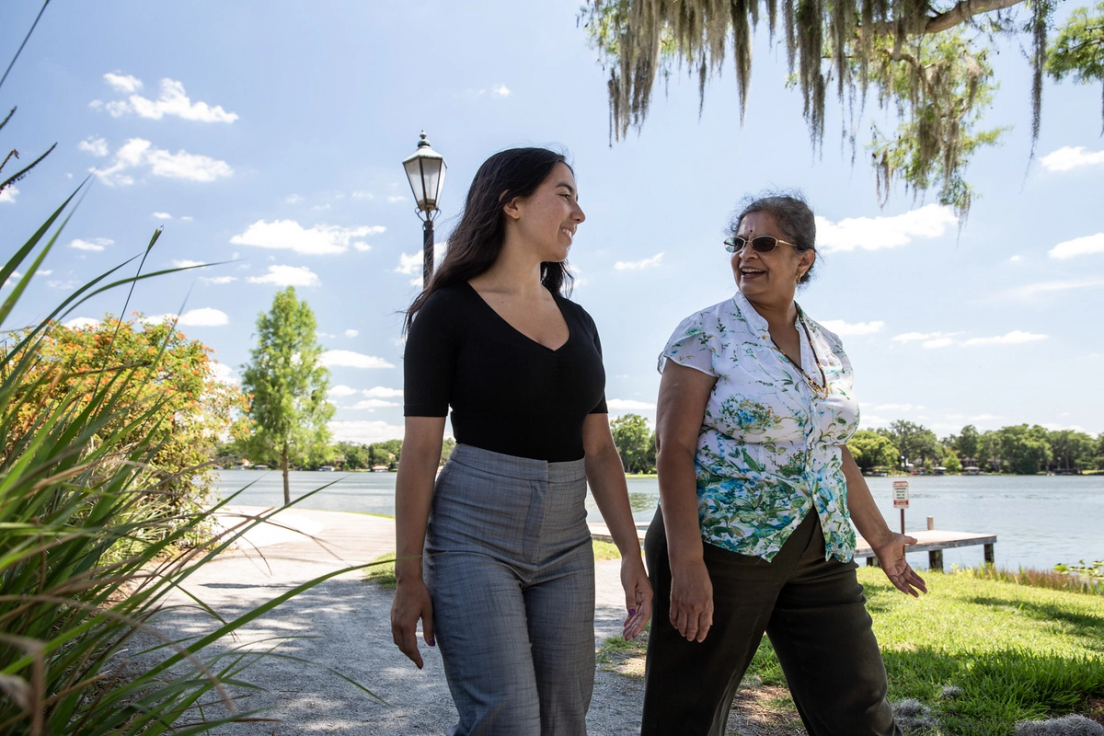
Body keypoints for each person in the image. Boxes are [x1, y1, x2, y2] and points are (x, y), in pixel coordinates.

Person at [641, 193, 927, 736]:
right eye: (740, 242)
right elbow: (672, 449)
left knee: (858, 703)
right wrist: (688, 564)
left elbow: (831, 449)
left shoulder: (829, 345)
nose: (746, 254)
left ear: (804, 259)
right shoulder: (705, 333)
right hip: (722, 545)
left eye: (764, 243)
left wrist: (883, 537)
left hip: (820, 548)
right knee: (688, 712)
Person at [390, 147, 652, 736]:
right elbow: (420, 453)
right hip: (472, 537)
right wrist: (410, 575)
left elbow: (601, 449)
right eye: (564, 194)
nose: (578, 213)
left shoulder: (580, 321)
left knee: (565, 718)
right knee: (506, 718)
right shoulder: (445, 313)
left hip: (566, 541)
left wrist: (631, 554)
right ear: (510, 203)